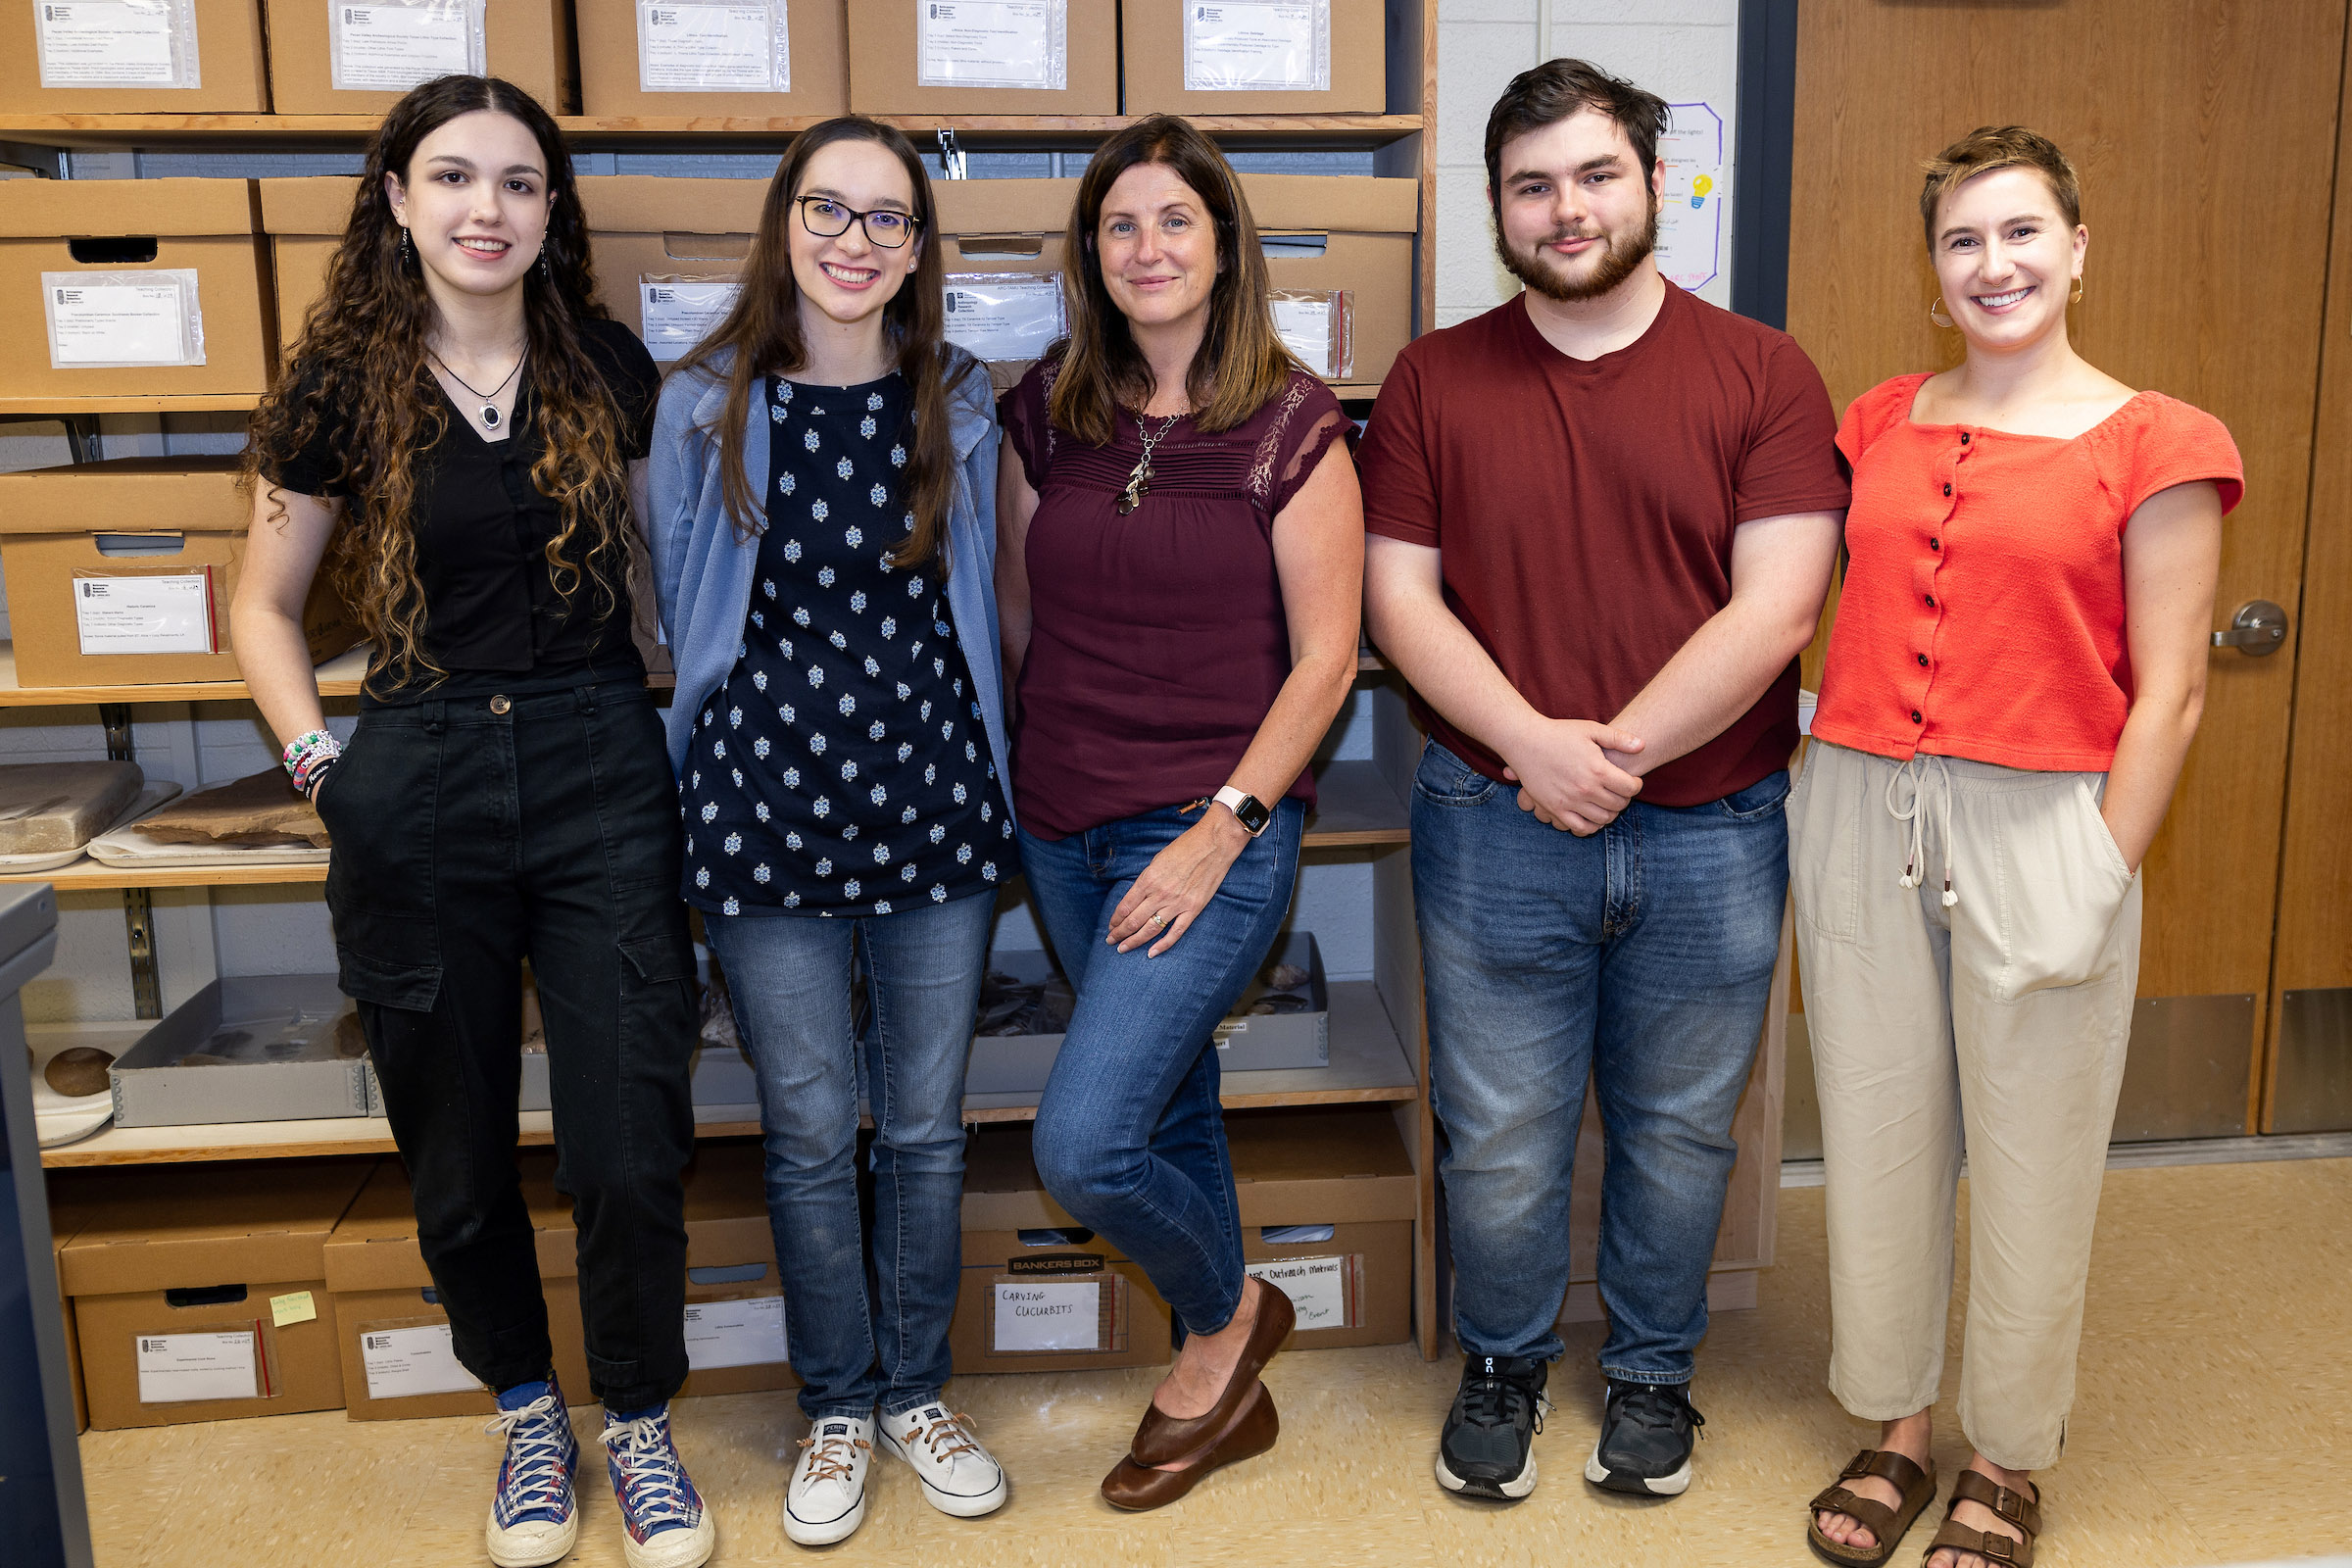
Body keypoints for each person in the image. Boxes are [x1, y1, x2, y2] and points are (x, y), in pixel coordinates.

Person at [233, 75, 713, 1568]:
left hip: (597, 766)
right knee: (449, 1145)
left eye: (516, 183)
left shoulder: (610, 369)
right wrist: (325, 768)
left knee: (627, 1135)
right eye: (452, 178)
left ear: (552, 211)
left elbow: (674, 574)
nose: (483, 210)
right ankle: (525, 1409)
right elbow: (257, 604)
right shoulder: (336, 385)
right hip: (416, 774)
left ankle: (634, 1418)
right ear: (396, 197)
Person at [1359, 58, 1849, 1504]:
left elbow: (1778, 609)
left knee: (1683, 1125)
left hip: (1716, 827)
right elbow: (1402, 604)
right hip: (1492, 819)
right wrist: (1534, 748)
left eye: (1593, 175)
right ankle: (1503, 1361)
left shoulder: (1764, 371)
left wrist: (1609, 755)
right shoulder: (1433, 378)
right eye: (1531, 185)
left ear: (1654, 182)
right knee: (1501, 1131)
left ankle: (1651, 1373)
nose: (1564, 209)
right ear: (1497, 210)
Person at [1797, 127, 2240, 1568]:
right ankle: (1896, 1428)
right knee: (1874, 1127)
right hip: (1863, 799)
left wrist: (2102, 867)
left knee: (2037, 1147)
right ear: (1933, 271)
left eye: (2022, 233)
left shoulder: (2157, 440)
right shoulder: (1872, 422)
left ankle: (2005, 1457)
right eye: (1964, 240)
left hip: (2045, 816)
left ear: (2076, 250)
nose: (1994, 264)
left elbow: (2171, 690)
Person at [646, 116, 1012, 1548]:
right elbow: (675, 611)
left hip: (933, 813)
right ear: (783, 222)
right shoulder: (699, 406)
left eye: (887, 219)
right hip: (759, 822)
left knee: (921, 1130)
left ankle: (919, 1389)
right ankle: (838, 1408)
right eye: (828, 210)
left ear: (921, 247)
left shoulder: (964, 400)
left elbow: (992, 608)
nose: (855, 242)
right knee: (806, 1134)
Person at [996, 114, 1364, 1511]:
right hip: (1062, 827)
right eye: (1119, 226)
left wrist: (1222, 831)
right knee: (1169, 1099)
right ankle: (1231, 1400)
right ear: (1093, 256)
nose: (1146, 249)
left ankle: (1224, 1315)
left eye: (1174, 222)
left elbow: (1327, 660)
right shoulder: (1046, 411)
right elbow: (1024, 623)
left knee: (1084, 1147)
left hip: (1211, 829)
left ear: (1223, 247)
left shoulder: (1293, 423)